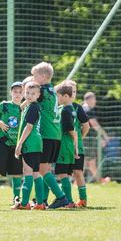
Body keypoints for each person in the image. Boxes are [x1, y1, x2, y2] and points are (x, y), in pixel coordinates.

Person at [31, 62, 69, 209]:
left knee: (41, 169)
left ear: (43, 77)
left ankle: (61, 197)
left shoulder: (42, 91)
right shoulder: (53, 91)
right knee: (45, 169)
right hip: (55, 135)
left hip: (46, 134)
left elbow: (29, 95)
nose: (33, 79)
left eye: (34, 76)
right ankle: (43, 200)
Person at [0, 81, 23, 205]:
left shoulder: (24, 108)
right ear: (11, 92)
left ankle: (16, 198)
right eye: (15, 91)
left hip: (17, 145)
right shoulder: (5, 105)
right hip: (3, 143)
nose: (17, 94)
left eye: (20, 92)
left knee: (17, 173)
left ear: (23, 94)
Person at [13, 82, 43, 210]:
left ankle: (24, 203)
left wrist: (19, 144)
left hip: (29, 143)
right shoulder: (32, 106)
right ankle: (40, 203)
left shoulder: (32, 108)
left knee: (28, 173)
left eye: (33, 93)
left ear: (38, 95)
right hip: (37, 144)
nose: (29, 96)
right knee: (36, 173)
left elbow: (29, 127)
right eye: (27, 93)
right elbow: (21, 106)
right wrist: (26, 100)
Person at [55, 81, 81, 208]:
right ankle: (68, 199)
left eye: (58, 96)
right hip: (69, 146)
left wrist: (75, 146)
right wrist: (75, 147)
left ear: (66, 96)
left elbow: (71, 131)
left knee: (62, 174)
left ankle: (69, 201)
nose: (57, 99)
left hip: (64, 146)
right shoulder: (71, 109)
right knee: (65, 174)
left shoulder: (65, 110)